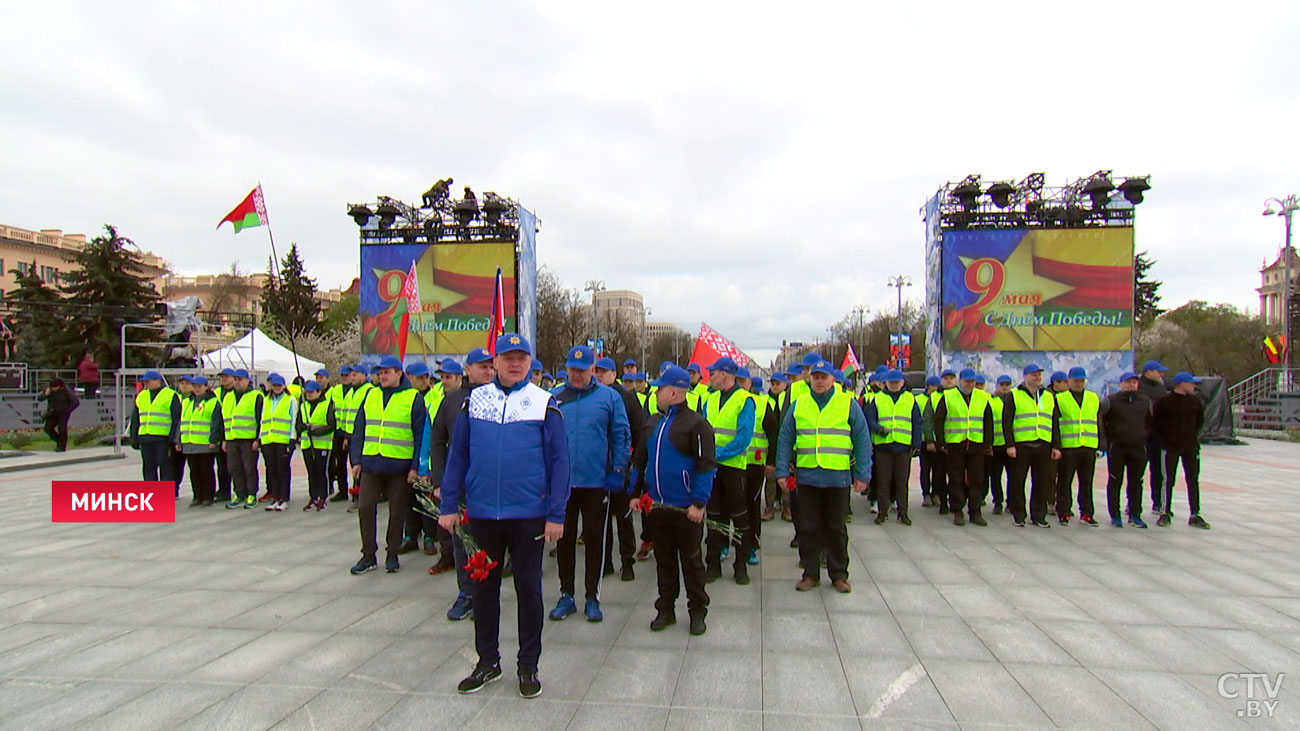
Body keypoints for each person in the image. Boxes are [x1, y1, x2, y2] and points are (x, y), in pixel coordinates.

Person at [438, 333, 568, 699]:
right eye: (507, 357)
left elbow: (560, 462)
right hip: (481, 515)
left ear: (530, 363)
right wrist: (450, 504)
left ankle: (528, 666)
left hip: (529, 515)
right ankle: (487, 662)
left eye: (521, 358)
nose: (515, 363)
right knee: (484, 590)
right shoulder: (474, 402)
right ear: (494, 362)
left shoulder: (544, 403)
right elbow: (457, 455)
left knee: (529, 591)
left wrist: (555, 513)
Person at [629, 365, 715, 635]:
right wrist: (634, 493)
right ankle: (665, 608)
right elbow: (640, 460)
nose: (655, 393)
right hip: (657, 507)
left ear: (674, 392)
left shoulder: (697, 425)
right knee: (664, 561)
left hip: (685, 510)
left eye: (659, 389)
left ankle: (697, 611)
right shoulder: (653, 422)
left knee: (691, 562)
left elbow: (706, 466)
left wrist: (699, 503)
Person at [776, 358, 872, 593]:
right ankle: (810, 573)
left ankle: (839, 574)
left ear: (832, 379)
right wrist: (781, 470)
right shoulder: (799, 404)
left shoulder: (847, 404)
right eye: (815, 377)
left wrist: (862, 473)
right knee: (808, 527)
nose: (819, 381)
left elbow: (862, 439)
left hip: (837, 477)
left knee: (836, 527)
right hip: (807, 476)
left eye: (824, 377)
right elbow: (785, 438)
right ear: (810, 379)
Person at [550, 345, 630, 623]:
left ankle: (591, 596)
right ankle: (566, 594)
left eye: (582, 370)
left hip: (596, 482)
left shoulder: (609, 398)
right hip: (562, 484)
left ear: (592, 370)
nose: (576, 374)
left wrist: (618, 469)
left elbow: (621, 434)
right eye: (572, 369)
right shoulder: (554, 397)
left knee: (595, 539)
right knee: (564, 539)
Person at [426, 352, 492, 618]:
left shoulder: (501, 398)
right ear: (468, 369)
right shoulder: (452, 400)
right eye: (482, 367)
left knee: (489, 541)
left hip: (490, 483)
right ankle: (466, 593)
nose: (488, 371)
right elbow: (438, 442)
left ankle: (486, 595)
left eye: (491, 366)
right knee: (461, 541)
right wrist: (441, 481)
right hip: (461, 483)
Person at [350, 355, 428, 574]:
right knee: (365, 508)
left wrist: (415, 467)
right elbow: (359, 429)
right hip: (371, 463)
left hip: (399, 466)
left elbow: (421, 435)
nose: (382, 376)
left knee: (397, 512)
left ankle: (392, 553)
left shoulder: (412, 397)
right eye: (380, 372)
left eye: (387, 372)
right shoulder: (370, 395)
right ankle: (368, 554)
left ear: (398, 373)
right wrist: (356, 460)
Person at [699, 357, 755, 585]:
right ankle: (712, 564)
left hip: (733, 470)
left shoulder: (745, 401)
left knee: (739, 518)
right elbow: (701, 431)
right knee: (713, 517)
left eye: (713, 373)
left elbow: (743, 438)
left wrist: (716, 454)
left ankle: (740, 566)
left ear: (725, 374)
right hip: (712, 470)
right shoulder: (709, 400)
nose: (710, 376)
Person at [595, 356, 646, 582]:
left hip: (620, 467)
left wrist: (634, 460)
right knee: (600, 520)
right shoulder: (590, 396)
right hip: (596, 468)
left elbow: (639, 430)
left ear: (614, 375)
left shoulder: (627, 397)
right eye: (596, 371)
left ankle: (627, 562)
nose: (598, 375)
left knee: (623, 517)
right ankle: (605, 562)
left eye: (603, 372)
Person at [1003, 364, 1061, 528]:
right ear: (1026, 376)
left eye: (1039, 375)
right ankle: (1018, 514)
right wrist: (1010, 444)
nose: (1037, 378)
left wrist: (1056, 446)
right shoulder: (1014, 395)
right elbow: (1007, 421)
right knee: (1017, 481)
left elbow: (1054, 421)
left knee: (1042, 481)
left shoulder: (1049, 396)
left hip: (1043, 443)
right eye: (1034, 375)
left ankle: (1038, 515)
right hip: (1022, 444)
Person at [933, 368, 993, 526]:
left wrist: (987, 443)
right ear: (960, 381)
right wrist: (941, 442)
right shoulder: (948, 396)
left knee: (977, 479)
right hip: (955, 443)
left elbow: (988, 421)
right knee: (956, 478)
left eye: (973, 381)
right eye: (967, 381)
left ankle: (975, 511)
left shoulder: (983, 397)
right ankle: (957, 510)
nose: (970, 384)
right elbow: (938, 421)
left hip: (976, 443)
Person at [1152, 372, 1210, 529]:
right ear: (1181, 383)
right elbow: (1155, 422)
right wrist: (1165, 439)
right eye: (1191, 383)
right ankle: (1165, 512)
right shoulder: (1164, 402)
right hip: (1170, 446)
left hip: (1190, 446)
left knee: (1193, 479)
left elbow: (1199, 421)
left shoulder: (1195, 401)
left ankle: (1195, 513)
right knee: (1167, 479)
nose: (1194, 386)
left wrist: (1191, 436)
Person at [866, 370, 921, 525]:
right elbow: (869, 419)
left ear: (902, 383)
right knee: (883, 481)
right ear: (886, 383)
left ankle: (903, 512)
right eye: (892, 382)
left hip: (903, 447)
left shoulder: (910, 399)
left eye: (897, 382)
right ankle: (882, 512)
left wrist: (917, 443)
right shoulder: (878, 399)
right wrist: (878, 429)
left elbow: (917, 422)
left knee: (902, 482)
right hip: (883, 447)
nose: (895, 385)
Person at [1099, 371, 1151, 528]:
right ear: (1121, 384)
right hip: (1117, 448)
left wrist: (1145, 438)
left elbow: (1150, 421)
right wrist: (1105, 443)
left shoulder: (1145, 401)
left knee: (1137, 482)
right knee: (1115, 480)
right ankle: (1115, 514)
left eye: (1134, 382)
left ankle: (1135, 514)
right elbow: (1101, 421)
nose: (1131, 385)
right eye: (1128, 382)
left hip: (1138, 448)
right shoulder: (1111, 401)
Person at [1055, 367, 1101, 526]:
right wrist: (1057, 446)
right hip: (1069, 446)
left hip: (1088, 445)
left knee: (1087, 482)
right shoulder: (1060, 398)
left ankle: (1087, 513)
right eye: (1076, 380)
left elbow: (1098, 421)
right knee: (1065, 481)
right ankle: (1064, 512)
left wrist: (1101, 444)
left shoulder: (1093, 398)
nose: (1079, 383)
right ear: (1069, 381)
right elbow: (1055, 423)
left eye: (1082, 380)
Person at [221, 368, 264, 509]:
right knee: (234, 468)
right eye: (236, 380)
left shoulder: (255, 396)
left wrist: (258, 439)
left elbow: (260, 419)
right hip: (232, 438)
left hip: (248, 439)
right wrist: (224, 439)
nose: (237, 382)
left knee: (249, 468)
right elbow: (225, 420)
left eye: (240, 379)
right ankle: (239, 494)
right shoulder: (228, 397)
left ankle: (251, 494)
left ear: (247, 380)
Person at [177, 375, 222, 506]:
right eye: (194, 386)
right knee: (194, 471)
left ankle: (208, 496)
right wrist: (178, 439)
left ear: (206, 387)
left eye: (199, 387)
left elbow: (216, 423)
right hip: (189, 442)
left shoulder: (213, 402)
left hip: (205, 442)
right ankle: (197, 496)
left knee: (206, 470)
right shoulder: (186, 402)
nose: (196, 389)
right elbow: (181, 422)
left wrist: (214, 439)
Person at [130, 371, 180, 484]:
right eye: (144, 381)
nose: (146, 383)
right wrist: (134, 437)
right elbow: (136, 418)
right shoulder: (141, 395)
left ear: (158, 381)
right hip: (145, 436)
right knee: (148, 467)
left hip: (162, 437)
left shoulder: (170, 395)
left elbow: (176, 418)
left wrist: (173, 438)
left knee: (165, 466)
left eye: (148, 381)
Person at [259, 373, 298, 511]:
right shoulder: (267, 400)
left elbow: (293, 420)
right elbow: (263, 419)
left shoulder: (290, 400)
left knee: (283, 469)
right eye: (274, 385)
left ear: (284, 386)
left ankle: (284, 498)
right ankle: (275, 497)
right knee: (272, 469)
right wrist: (260, 438)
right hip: (268, 439)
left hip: (283, 440)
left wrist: (292, 439)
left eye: (279, 385)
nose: (276, 388)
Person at [341, 365, 376, 511]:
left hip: (364, 436)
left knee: (361, 469)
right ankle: (356, 494)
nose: (352, 377)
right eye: (351, 375)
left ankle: (360, 497)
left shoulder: (369, 391)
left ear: (363, 375)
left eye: (355, 375)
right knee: (354, 466)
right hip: (351, 435)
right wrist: (346, 436)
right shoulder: (351, 392)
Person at [1137, 360, 1171, 514]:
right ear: (1148, 372)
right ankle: (1133, 503)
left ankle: (1157, 502)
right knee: (1137, 471)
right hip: (1142, 434)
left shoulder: (1161, 386)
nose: (1161, 374)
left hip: (1158, 435)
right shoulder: (1138, 385)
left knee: (1158, 471)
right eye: (1159, 371)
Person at [298, 380, 336, 511]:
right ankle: (313, 496)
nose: (309, 395)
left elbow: (332, 425)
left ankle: (322, 497)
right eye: (307, 392)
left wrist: (317, 431)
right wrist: (303, 427)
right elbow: (298, 423)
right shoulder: (303, 406)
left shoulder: (327, 405)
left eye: (311, 392)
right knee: (311, 471)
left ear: (319, 392)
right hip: (307, 443)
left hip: (322, 444)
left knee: (321, 471)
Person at [922, 369, 956, 512]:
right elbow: (928, 419)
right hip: (939, 442)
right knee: (939, 473)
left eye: (951, 378)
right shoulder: (934, 397)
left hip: (957, 442)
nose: (949, 380)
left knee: (956, 475)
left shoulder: (960, 396)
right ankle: (942, 500)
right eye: (946, 378)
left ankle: (955, 501)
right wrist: (930, 439)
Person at [762, 371, 788, 521]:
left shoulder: (789, 399)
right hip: (770, 445)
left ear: (785, 385)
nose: (775, 386)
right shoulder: (766, 400)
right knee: (770, 479)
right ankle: (769, 508)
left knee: (787, 480)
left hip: (786, 444)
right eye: (772, 383)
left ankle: (787, 508)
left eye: (778, 383)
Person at [986, 375, 1014, 514]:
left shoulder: (1014, 400)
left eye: (1007, 384)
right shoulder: (991, 400)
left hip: (1011, 445)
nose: (1005, 387)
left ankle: (1011, 502)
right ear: (997, 385)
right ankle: (998, 502)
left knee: (1013, 476)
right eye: (1002, 384)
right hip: (996, 445)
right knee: (995, 476)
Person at [327, 366, 355, 502]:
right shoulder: (336, 390)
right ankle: (342, 490)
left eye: (347, 375)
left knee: (354, 463)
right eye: (342, 375)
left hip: (350, 432)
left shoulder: (355, 390)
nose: (344, 377)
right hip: (337, 431)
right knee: (340, 463)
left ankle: (356, 491)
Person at [212, 368, 236, 502]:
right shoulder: (216, 393)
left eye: (227, 377)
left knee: (234, 466)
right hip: (220, 432)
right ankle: (223, 490)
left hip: (233, 433)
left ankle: (240, 490)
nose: (224, 379)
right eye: (222, 377)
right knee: (221, 466)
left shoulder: (236, 393)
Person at [918, 375, 942, 507]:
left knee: (938, 469)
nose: (936, 388)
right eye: (933, 385)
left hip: (938, 439)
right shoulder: (919, 399)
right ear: (928, 386)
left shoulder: (939, 398)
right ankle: (926, 494)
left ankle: (936, 493)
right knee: (925, 469)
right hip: (924, 440)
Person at [38, 378, 78, 453]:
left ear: (59, 386)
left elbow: (75, 401)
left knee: (62, 429)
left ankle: (62, 447)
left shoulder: (66, 390)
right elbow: (39, 398)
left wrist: (67, 410)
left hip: (63, 412)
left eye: (55, 387)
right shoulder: (49, 390)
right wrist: (45, 394)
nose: (53, 389)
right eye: (52, 387)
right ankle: (59, 441)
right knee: (48, 428)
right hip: (52, 412)